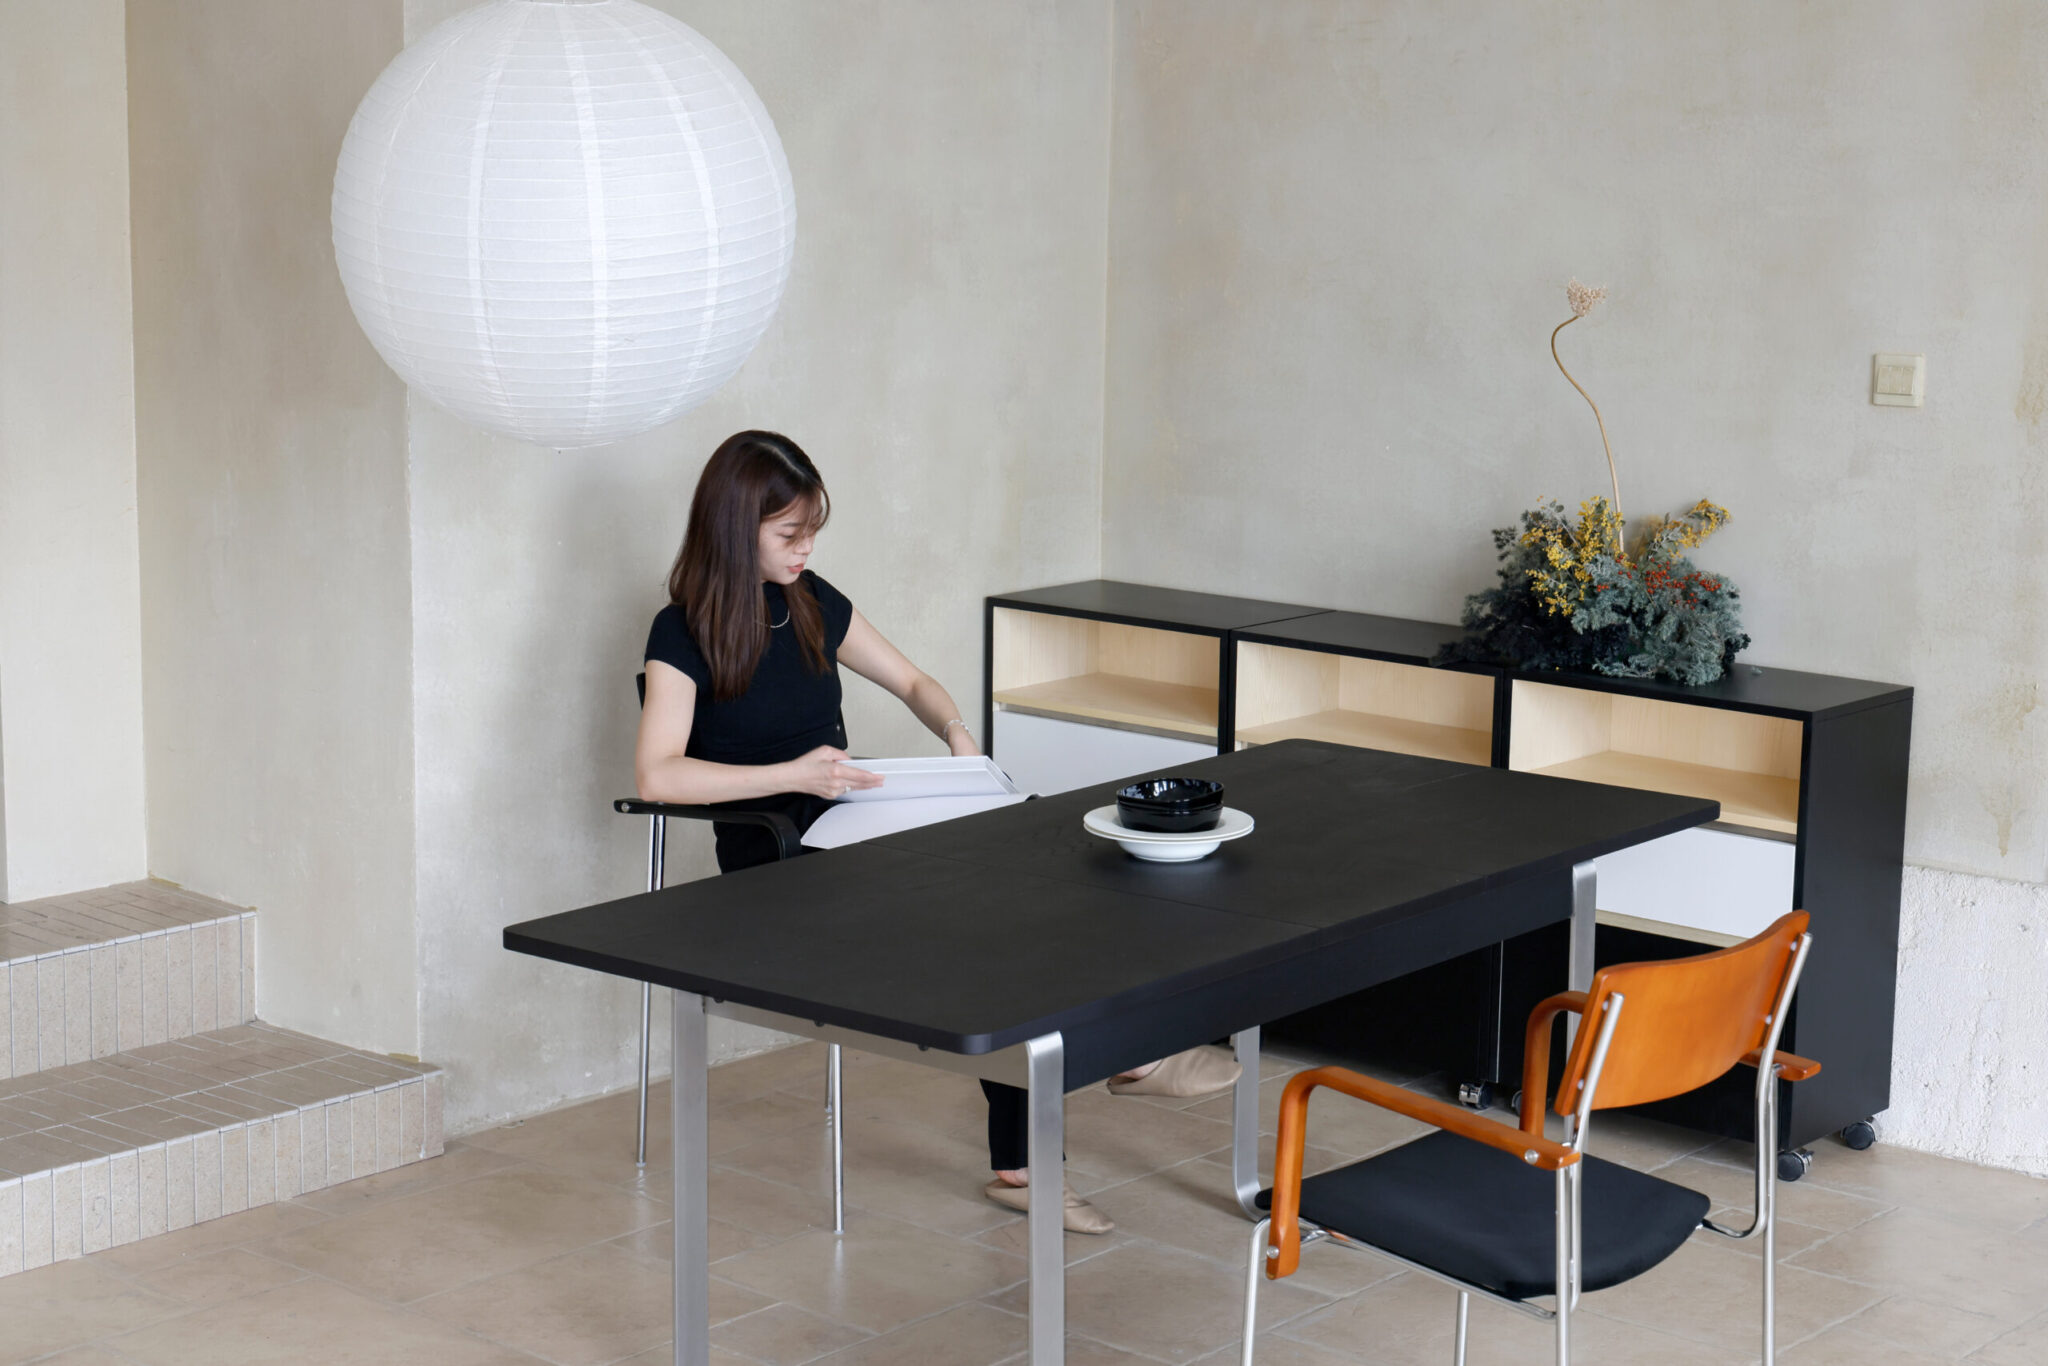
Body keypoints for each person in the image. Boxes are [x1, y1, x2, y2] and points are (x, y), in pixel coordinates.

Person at [635, 430, 1239, 1235]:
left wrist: (955, 734)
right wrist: (793, 776)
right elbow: (658, 775)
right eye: (790, 533)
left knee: (1039, 859)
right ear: (732, 528)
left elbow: (915, 680)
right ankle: (1086, 1101)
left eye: (814, 528)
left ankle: (1108, 1076)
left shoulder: (812, 602)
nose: (806, 547)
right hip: (776, 859)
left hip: (855, 822)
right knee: (985, 928)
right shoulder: (680, 634)